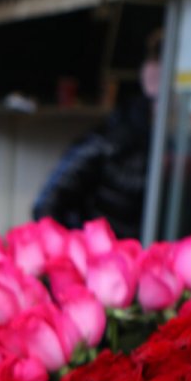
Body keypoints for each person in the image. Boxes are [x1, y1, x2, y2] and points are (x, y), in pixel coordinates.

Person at [31, 32, 163, 237]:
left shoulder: (180, 150)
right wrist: (77, 255)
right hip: (104, 259)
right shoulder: (106, 141)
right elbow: (47, 205)